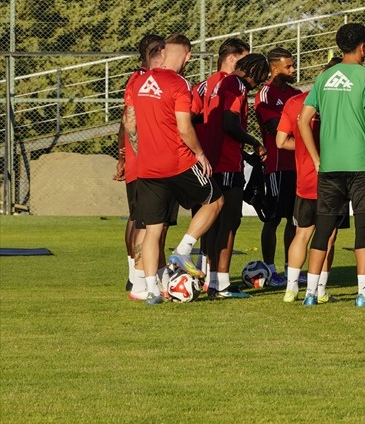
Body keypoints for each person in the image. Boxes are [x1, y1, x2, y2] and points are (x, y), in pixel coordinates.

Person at [297, 23, 365, 308]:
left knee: (323, 229)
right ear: (362, 46)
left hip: (331, 166)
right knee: (364, 228)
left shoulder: (323, 79)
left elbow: (303, 120)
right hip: (362, 165)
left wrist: (316, 158)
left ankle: (311, 293)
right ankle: (364, 295)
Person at [125, 34, 223, 305]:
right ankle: (183, 249)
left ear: (165, 52)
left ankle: (152, 291)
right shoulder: (179, 83)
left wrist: (138, 151)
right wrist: (200, 153)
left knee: (152, 230)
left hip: (147, 167)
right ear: (188, 56)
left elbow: (130, 124)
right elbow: (184, 126)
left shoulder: (137, 81)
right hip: (178, 162)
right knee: (215, 200)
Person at [200, 52, 271, 298]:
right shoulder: (236, 85)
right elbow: (230, 124)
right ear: (256, 71)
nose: (262, 82)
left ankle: (211, 281)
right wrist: (255, 142)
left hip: (211, 159)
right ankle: (221, 284)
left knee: (214, 223)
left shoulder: (216, 83)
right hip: (225, 161)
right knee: (230, 221)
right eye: (263, 76)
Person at [276, 57, 341, 303]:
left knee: (301, 234)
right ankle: (320, 290)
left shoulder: (294, 102)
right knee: (329, 236)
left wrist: (304, 147)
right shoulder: (338, 103)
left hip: (304, 180)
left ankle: (291, 289)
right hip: (333, 178)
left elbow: (281, 141)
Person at [115, 33, 165, 300]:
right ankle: (137, 278)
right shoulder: (142, 80)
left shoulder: (138, 79)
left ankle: (141, 275)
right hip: (145, 161)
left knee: (139, 217)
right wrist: (126, 156)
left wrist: (122, 156)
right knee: (143, 220)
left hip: (139, 159)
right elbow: (127, 120)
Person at [254, 47, 301, 287]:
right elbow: (274, 125)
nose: (294, 70)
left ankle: (291, 269)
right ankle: (270, 270)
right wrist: (295, 121)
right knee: (272, 220)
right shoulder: (265, 94)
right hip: (276, 166)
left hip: (298, 166)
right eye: (289, 66)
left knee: (295, 220)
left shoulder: (296, 93)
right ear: (275, 68)